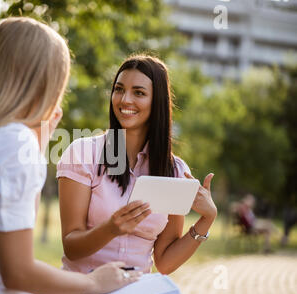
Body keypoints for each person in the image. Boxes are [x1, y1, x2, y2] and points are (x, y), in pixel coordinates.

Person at [0, 17, 141, 294]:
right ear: (45, 81)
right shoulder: (14, 143)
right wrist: (94, 283)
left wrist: (37, 145)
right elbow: (18, 272)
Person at [56, 54, 218, 275]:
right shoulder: (83, 154)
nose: (125, 100)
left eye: (139, 93)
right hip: (84, 291)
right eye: (119, 89)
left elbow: (164, 262)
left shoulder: (175, 172)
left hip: (137, 291)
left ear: (157, 101)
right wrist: (111, 229)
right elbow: (71, 247)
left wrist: (207, 219)